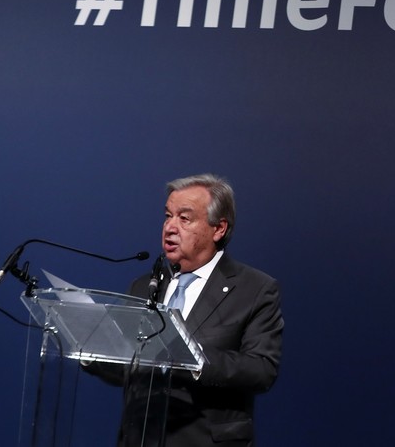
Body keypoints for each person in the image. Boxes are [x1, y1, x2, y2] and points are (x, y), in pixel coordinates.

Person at [111, 174, 284, 446]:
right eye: (168, 216)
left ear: (219, 229)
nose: (170, 227)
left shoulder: (255, 288)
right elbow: (123, 365)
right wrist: (88, 345)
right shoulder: (144, 286)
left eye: (184, 218)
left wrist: (192, 357)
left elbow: (261, 370)